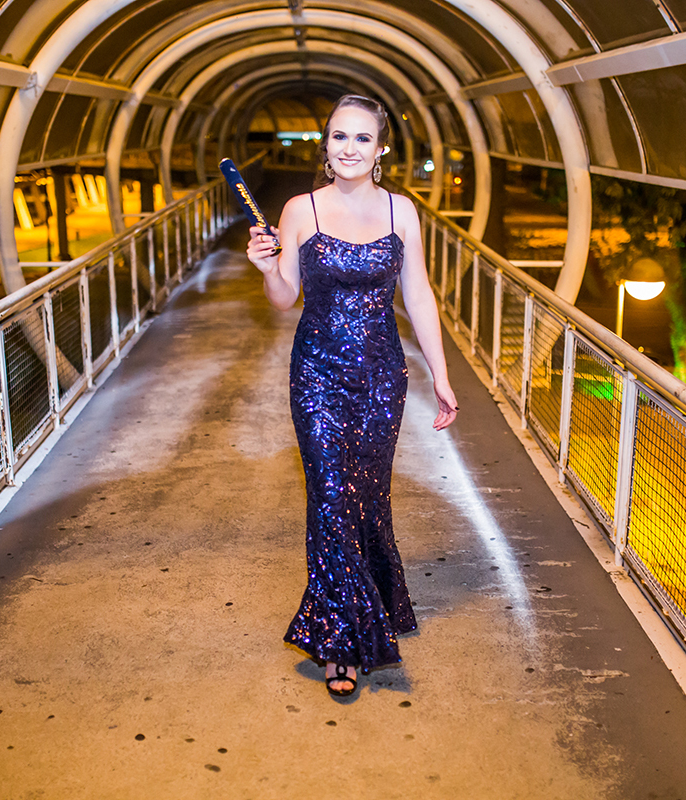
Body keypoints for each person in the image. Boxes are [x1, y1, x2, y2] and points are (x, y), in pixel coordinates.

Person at [246, 94, 459, 698]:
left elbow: (418, 294)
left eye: (362, 138)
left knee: (366, 496)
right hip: (316, 374)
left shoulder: (402, 211)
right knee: (331, 497)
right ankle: (339, 641)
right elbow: (284, 299)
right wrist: (268, 268)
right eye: (339, 136)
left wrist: (441, 375)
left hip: (381, 377)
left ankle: (376, 602)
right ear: (326, 144)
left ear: (381, 148)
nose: (349, 148)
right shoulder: (301, 210)